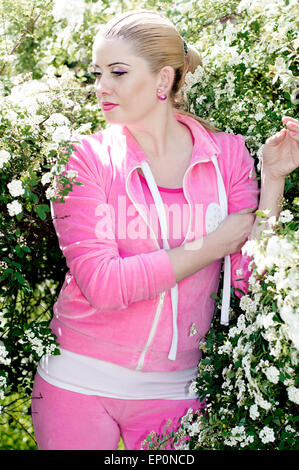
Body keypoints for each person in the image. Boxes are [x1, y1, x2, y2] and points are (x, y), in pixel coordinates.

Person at [31, 10, 299, 450]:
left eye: (118, 72)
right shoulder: (87, 160)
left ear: (164, 80)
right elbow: (102, 283)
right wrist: (214, 243)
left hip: (175, 392)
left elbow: (249, 280)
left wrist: (273, 180)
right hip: (78, 380)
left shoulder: (227, 156)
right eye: (98, 73)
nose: (102, 87)